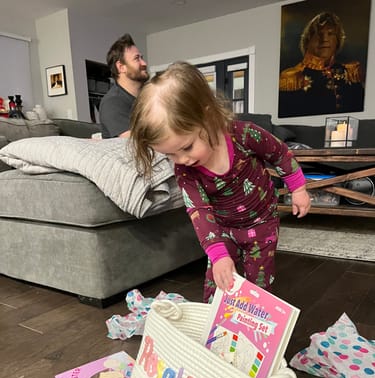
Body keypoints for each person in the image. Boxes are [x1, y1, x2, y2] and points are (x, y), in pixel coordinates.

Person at [131, 62, 311, 303]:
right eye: (170, 154)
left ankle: (253, 326)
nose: (182, 159)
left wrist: (298, 188)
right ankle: (214, 328)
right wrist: (218, 254)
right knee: (219, 279)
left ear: (207, 116)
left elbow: (279, 153)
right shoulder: (186, 171)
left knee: (259, 281)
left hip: (263, 221)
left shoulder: (245, 134)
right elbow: (199, 210)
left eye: (186, 147)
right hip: (223, 228)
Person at [279, 12, 365, 118]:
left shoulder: (350, 72)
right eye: (319, 34)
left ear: (337, 41)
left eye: (330, 34)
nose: (324, 39)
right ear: (308, 40)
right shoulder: (291, 78)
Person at [99, 33, 149, 138]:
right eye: (137, 59)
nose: (144, 63)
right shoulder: (112, 102)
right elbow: (137, 144)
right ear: (121, 67)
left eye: (142, 58)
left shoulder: (147, 95)